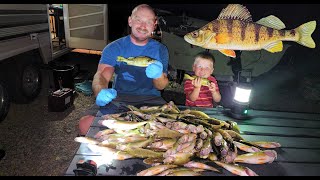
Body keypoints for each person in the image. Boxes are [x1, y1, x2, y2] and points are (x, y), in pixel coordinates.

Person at [78, 4, 169, 136]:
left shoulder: (161, 49)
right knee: (86, 124)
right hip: (119, 97)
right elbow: (102, 75)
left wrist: (158, 75)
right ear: (130, 21)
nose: (143, 26)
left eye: (148, 22)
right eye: (139, 20)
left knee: (169, 129)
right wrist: (100, 91)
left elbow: (161, 86)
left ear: (154, 25)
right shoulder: (114, 47)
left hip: (151, 100)